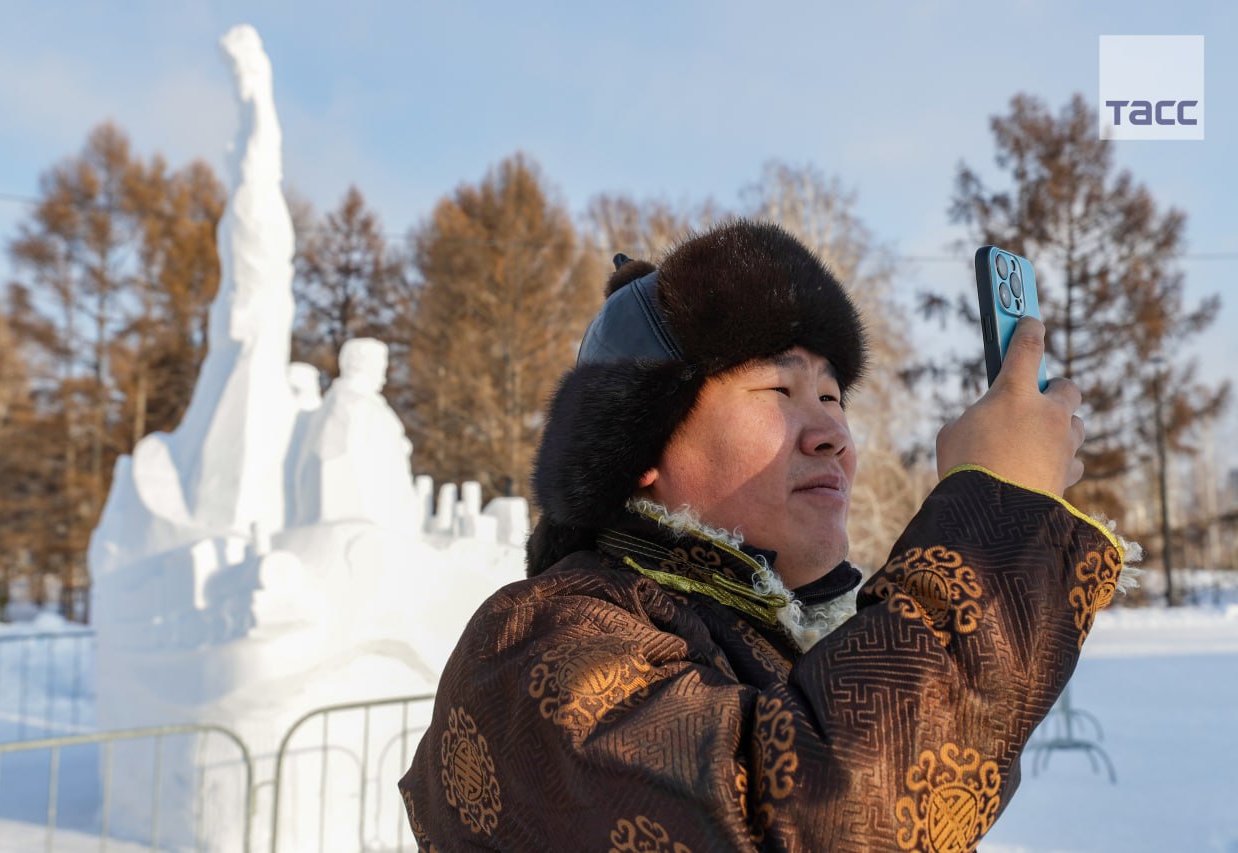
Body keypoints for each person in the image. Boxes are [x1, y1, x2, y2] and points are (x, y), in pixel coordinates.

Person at [399, 219, 1133, 852]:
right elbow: (798, 819)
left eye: (832, 397)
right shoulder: (533, 642)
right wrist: (994, 522)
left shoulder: (782, 647)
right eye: (781, 392)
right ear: (643, 446)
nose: (832, 435)